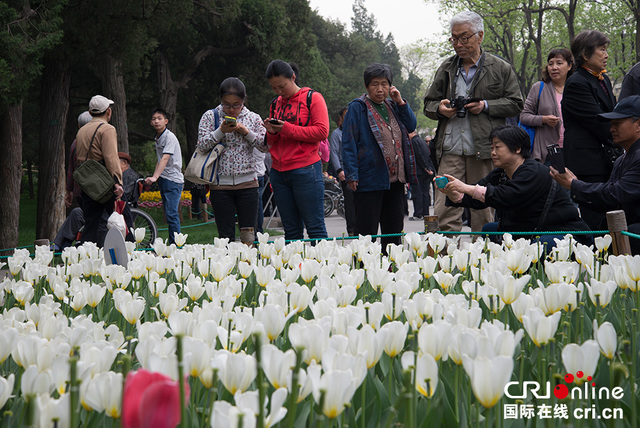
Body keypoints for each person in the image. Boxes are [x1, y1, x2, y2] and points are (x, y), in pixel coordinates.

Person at [423, 11, 523, 232]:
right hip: (450, 150)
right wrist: (440, 109)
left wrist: (485, 106)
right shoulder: (447, 68)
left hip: (484, 150)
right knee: (444, 211)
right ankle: (444, 263)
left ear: (480, 36)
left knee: (483, 210)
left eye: (464, 37)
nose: (458, 43)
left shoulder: (500, 68)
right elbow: (428, 104)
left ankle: (484, 262)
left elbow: (517, 103)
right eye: (454, 38)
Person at [438, 125, 589, 247]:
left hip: (560, 230)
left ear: (517, 149)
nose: (493, 153)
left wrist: (464, 187)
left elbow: (506, 195)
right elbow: (479, 198)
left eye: (497, 147)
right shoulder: (501, 173)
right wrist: (454, 193)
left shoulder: (532, 171)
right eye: (491, 148)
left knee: (541, 245)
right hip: (528, 230)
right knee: (489, 229)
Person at [342, 63, 418, 251]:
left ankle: (391, 272)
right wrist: (351, 174)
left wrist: (401, 102)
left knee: (393, 230)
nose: (380, 89)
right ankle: (364, 273)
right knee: (367, 231)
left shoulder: (392, 105)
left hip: (395, 180)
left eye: (384, 84)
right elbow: (349, 141)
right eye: (375, 84)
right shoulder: (357, 107)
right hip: (370, 179)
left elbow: (411, 125)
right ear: (367, 86)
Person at [551, 95, 640, 254]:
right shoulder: (622, 159)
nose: (612, 128)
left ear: (638, 124)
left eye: (618, 123)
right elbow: (608, 199)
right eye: (611, 124)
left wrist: (574, 185)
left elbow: (616, 193)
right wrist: (575, 186)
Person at [263, 60, 329, 241]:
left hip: (306, 170)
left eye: (282, 86)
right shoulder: (275, 103)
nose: (278, 91)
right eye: (274, 88)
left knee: (315, 228)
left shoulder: (313, 98)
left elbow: (322, 131)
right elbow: (272, 141)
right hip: (279, 173)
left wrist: (285, 128)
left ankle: (322, 268)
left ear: (293, 77)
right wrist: (271, 131)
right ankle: (294, 269)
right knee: (291, 231)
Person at [196, 77, 267, 245]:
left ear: (244, 101)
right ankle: (227, 269)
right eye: (226, 104)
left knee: (249, 234)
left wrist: (245, 132)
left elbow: (264, 146)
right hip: (220, 185)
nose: (231, 109)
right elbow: (201, 146)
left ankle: (249, 267)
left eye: (236, 105)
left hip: (248, 183)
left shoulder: (253, 118)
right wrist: (220, 131)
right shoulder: (210, 116)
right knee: (225, 235)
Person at [562, 30, 617, 231]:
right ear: (585, 54)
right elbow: (600, 122)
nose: (606, 55)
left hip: (606, 160)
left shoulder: (603, 80)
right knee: (595, 222)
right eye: (601, 50)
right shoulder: (577, 82)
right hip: (588, 163)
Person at [75, 95, 124, 247]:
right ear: (108, 112)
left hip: (87, 183)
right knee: (121, 217)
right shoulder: (107, 129)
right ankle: (131, 251)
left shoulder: (82, 130)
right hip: (104, 181)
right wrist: (117, 181)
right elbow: (111, 157)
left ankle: (86, 257)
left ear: (90, 112)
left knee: (91, 222)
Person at [519, 48, 574, 164]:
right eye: (551, 64)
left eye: (559, 63)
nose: (554, 67)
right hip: (547, 150)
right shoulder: (539, 88)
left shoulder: (576, 88)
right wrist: (543, 119)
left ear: (569, 66)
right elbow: (523, 116)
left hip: (573, 148)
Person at [146, 108, 184, 245]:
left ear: (166, 121)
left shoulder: (169, 137)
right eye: (154, 119)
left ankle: (177, 245)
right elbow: (159, 159)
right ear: (151, 122)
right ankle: (173, 244)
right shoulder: (158, 137)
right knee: (169, 215)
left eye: (159, 118)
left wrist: (155, 178)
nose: (156, 121)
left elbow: (165, 158)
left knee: (172, 214)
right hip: (165, 179)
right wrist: (155, 176)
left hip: (173, 180)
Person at [328, 107, 355, 235]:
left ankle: (361, 228)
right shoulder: (336, 134)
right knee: (349, 202)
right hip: (346, 172)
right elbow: (333, 153)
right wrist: (339, 170)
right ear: (341, 119)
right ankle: (351, 230)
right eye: (346, 116)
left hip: (359, 171)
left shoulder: (357, 131)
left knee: (362, 202)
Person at [65, 111, 93, 209]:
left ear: (79, 125)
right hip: (95, 189)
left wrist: (69, 190)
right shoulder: (95, 142)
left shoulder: (74, 143)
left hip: (79, 190)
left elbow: (71, 169)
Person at [409, 132, 435, 220]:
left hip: (419, 171)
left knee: (418, 192)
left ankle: (418, 213)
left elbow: (419, 155)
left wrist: (425, 167)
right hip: (425, 171)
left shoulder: (414, 142)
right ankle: (425, 212)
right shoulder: (421, 141)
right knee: (425, 192)